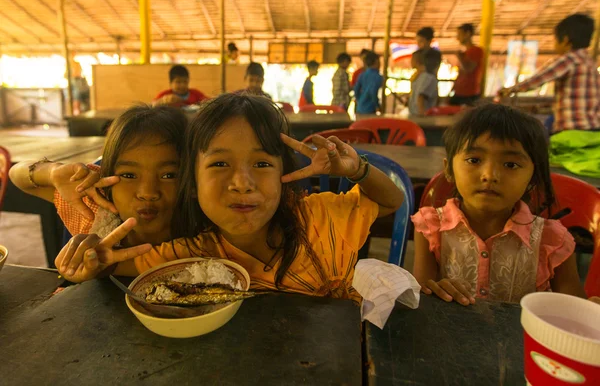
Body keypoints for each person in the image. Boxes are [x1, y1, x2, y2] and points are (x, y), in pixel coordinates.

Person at [56, 94, 404, 302]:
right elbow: (113, 265)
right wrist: (91, 260)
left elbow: (391, 202)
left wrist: (358, 170)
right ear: (192, 182)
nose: (241, 182)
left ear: (285, 174)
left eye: (262, 163)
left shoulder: (321, 217)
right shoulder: (194, 254)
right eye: (220, 163)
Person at [411, 104, 587, 305]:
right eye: (474, 160)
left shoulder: (553, 241)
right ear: (449, 169)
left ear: (533, 178)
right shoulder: (431, 227)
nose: (489, 176)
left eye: (511, 165)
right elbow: (422, 302)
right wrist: (432, 291)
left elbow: (574, 311)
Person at [10, 105, 187, 278]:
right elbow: (16, 174)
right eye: (129, 175)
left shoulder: (206, 230)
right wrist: (51, 172)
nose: (147, 193)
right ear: (106, 177)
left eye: (169, 175)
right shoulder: (95, 200)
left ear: (191, 181)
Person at [499, 14, 600, 134]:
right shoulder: (590, 62)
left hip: (572, 129)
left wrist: (510, 89)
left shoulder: (569, 60)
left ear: (565, 40)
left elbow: (539, 79)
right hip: (594, 128)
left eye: (556, 40)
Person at [450, 23, 484, 106]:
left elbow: (468, 69)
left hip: (469, 93)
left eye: (460, 35)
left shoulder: (476, 50)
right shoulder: (465, 53)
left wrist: (460, 57)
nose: (458, 38)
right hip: (459, 91)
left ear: (468, 34)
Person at [408, 49, 438, 116]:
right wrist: (423, 115)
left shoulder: (423, 77)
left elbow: (421, 96)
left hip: (417, 115)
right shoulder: (427, 77)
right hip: (421, 115)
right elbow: (421, 96)